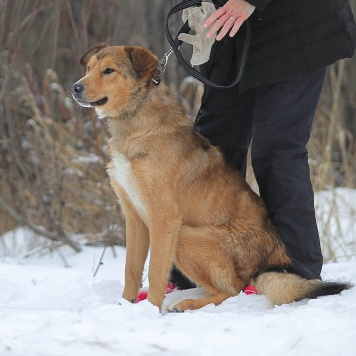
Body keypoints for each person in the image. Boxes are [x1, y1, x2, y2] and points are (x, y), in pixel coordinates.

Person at [169, 0, 356, 290]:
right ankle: (192, 272)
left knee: (277, 148)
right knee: (211, 148)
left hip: (296, 25)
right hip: (233, 30)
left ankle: (296, 272)